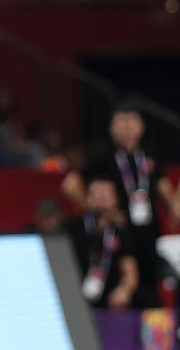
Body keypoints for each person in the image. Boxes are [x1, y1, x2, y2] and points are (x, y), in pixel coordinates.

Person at [63, 101, 173, 308]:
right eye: (121, 121)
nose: (126, 126)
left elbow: (163, 186)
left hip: (147, 236)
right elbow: (70, 185)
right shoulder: (103, 154)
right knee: (119, 288)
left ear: (141, 126)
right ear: (111, 126)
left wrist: (174, 207)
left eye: (132, 120)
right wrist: (95, 207)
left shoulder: (148, 154)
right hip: (117, 234)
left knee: (151, 292)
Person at [69, 176, 141, 309]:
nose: (101, 203)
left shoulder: (121, 231)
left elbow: (130, 270)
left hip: (110, 303)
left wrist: (124, 290)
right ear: (88, 199)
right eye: (97, 197)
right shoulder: (73, 229)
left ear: (115, 201)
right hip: (76, 299)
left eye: (106, 198)